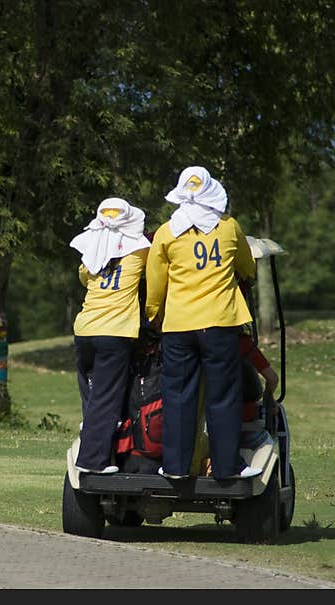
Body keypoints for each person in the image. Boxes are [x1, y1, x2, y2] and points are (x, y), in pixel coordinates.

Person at [145, 166, 259, 480]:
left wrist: (154, 315)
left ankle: (176, 466)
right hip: (220, 324)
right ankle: (226, 467)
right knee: (222, 396)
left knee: (179, 396)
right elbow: (247, 267)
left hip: (179, 326)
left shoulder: (167, 232)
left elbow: (155, 285)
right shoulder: (229, 227)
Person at [70, 197, 151, 474]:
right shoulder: (140, 251)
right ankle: (93, 462)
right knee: (106, 400)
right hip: (114, 332)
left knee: (92, 397)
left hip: (84, 330)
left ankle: (96, 439)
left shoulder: (93, 247)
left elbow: (84, 276)